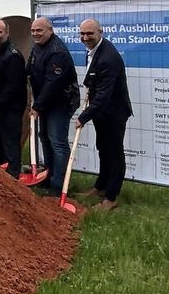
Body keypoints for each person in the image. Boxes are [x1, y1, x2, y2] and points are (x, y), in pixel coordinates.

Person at [76, 18, 133, 210]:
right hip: (101, 111)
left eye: (89, 33)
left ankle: (111, 197)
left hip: (114, 112)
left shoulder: (109, 57)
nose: (85, 37)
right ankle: (100, 186)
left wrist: (84, 117)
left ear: (100, 32)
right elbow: (94, 83)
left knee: (115, 153)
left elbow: (104, 94)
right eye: (82, 34)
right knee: (103, 148)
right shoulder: (93, 52)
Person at [27, 17, 80, 192]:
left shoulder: (57, 52)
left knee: (57, 141)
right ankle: (48, 176)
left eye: (39, 30)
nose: (35, 34)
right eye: (33, 30)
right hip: (46, 102)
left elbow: (53, 84)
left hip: (61, 102)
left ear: (50, 30)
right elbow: (30, 69)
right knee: (44, 137)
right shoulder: (37, 47)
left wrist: (37, 106)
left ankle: (58, 185)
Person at [0, 19, 27, 179]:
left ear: (7, 34)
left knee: (11, 145)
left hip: (11, 108)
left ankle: (13, 178)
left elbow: (13, 86)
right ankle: (2, 179)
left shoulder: (13, 56)